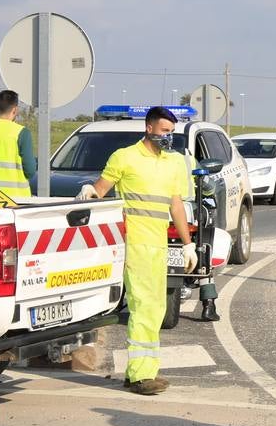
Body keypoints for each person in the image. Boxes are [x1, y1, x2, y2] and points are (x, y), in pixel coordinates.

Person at [77, 106, 196, 395]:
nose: (169, 137)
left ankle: (141, 372)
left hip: (159, 244)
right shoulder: (125, 157)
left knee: (156, 308)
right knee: (143, 306)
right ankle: (142, 377)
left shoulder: (175, 162)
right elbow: (101, 189)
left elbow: (176, 204)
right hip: (134, 243)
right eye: (164, 131)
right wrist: (89, 192)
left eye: (172, 132)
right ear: (149, 128)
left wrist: (187, 243)